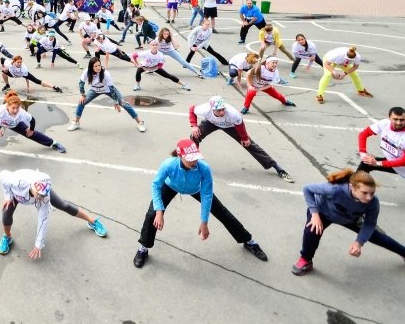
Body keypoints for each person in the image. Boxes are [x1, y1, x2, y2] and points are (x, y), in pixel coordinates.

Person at [132, 138, 268, 269]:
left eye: (195, 157)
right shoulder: (168, 164)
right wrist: (159, 211)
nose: (194, 162)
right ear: (180, 155)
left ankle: (248, 241)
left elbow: (207, 195)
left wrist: (204, 222)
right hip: (171, 186)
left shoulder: (204, 168)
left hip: (195, 189)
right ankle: (143, 248)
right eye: (190, 159)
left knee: (223, 213)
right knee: (152, 215)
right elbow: (156, 185)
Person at [291, 169, 405, 276]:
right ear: (352, 187)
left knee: (380, 237)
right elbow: (307, 189)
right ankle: (306, 260)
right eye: (365, 193)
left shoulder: (373, 203)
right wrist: (314, 214)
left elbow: (369, 224)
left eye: (372, 193)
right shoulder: (334, 190)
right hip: (323, 213)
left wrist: (359, 242)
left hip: (350, 218)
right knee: (312, 231)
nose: (369, 197)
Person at [0, 168, 107, 258]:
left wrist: (38, 244)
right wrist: (8, 196)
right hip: (16, 194)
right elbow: (2, 175)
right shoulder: (18, 182)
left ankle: (92, 221)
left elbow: (43, 220)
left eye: (43, 194)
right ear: (33, 187)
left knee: (64, 205)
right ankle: (7, 237)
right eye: (39, 194)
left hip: (32, 192)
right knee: (6, 211)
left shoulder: (44, 196)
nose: (41, 197)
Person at [189, 95, 293, 182]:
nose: (221, 112)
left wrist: (245, 138)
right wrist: (194, 125)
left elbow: (240, 125)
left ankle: (277, 168)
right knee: (194, 135)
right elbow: (192, 110)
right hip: (211, 123)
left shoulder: (232, 113)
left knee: (250, 145)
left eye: (223, 109)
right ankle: (194, 161)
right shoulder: (204, 109)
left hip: (230, 126)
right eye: (218, 110)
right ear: (212, 109)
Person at [0, 91, 66, 165]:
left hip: (14, 124)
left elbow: (32, 120)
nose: (15, 110)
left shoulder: (21, 113)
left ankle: (53, 143)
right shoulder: (0, 110)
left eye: (17, 108)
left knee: (31, 133)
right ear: (7, 106)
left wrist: (31, 129)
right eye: (13, 108)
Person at [70, 57, 145, 132]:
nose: (98, 67)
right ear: (91, 67)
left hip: (108, 90)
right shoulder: (87, 72)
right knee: (81, 102)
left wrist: (116, 102)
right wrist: (83, 95)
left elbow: (112, 88)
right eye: (95, 66)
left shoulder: (105, 73)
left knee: (125, 104)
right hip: (94, 90)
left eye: (99, 65)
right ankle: (76, 122)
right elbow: (81, 83)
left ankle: (139, 122)